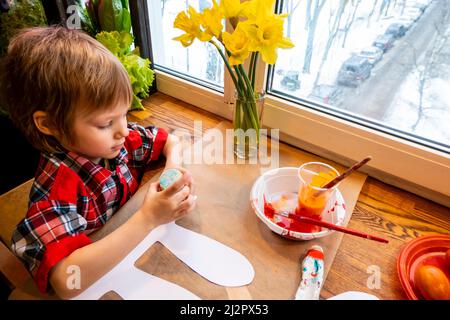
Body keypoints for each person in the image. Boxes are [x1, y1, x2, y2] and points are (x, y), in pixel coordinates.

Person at [0, 26, 196, 299]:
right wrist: (149, 217)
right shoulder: (56, 190)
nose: (124, 131)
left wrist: (173, 166)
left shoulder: (115, 142)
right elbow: (68, 281)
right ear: (49, 124)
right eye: (106, 123)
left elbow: (170, 140)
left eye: (124, 115)